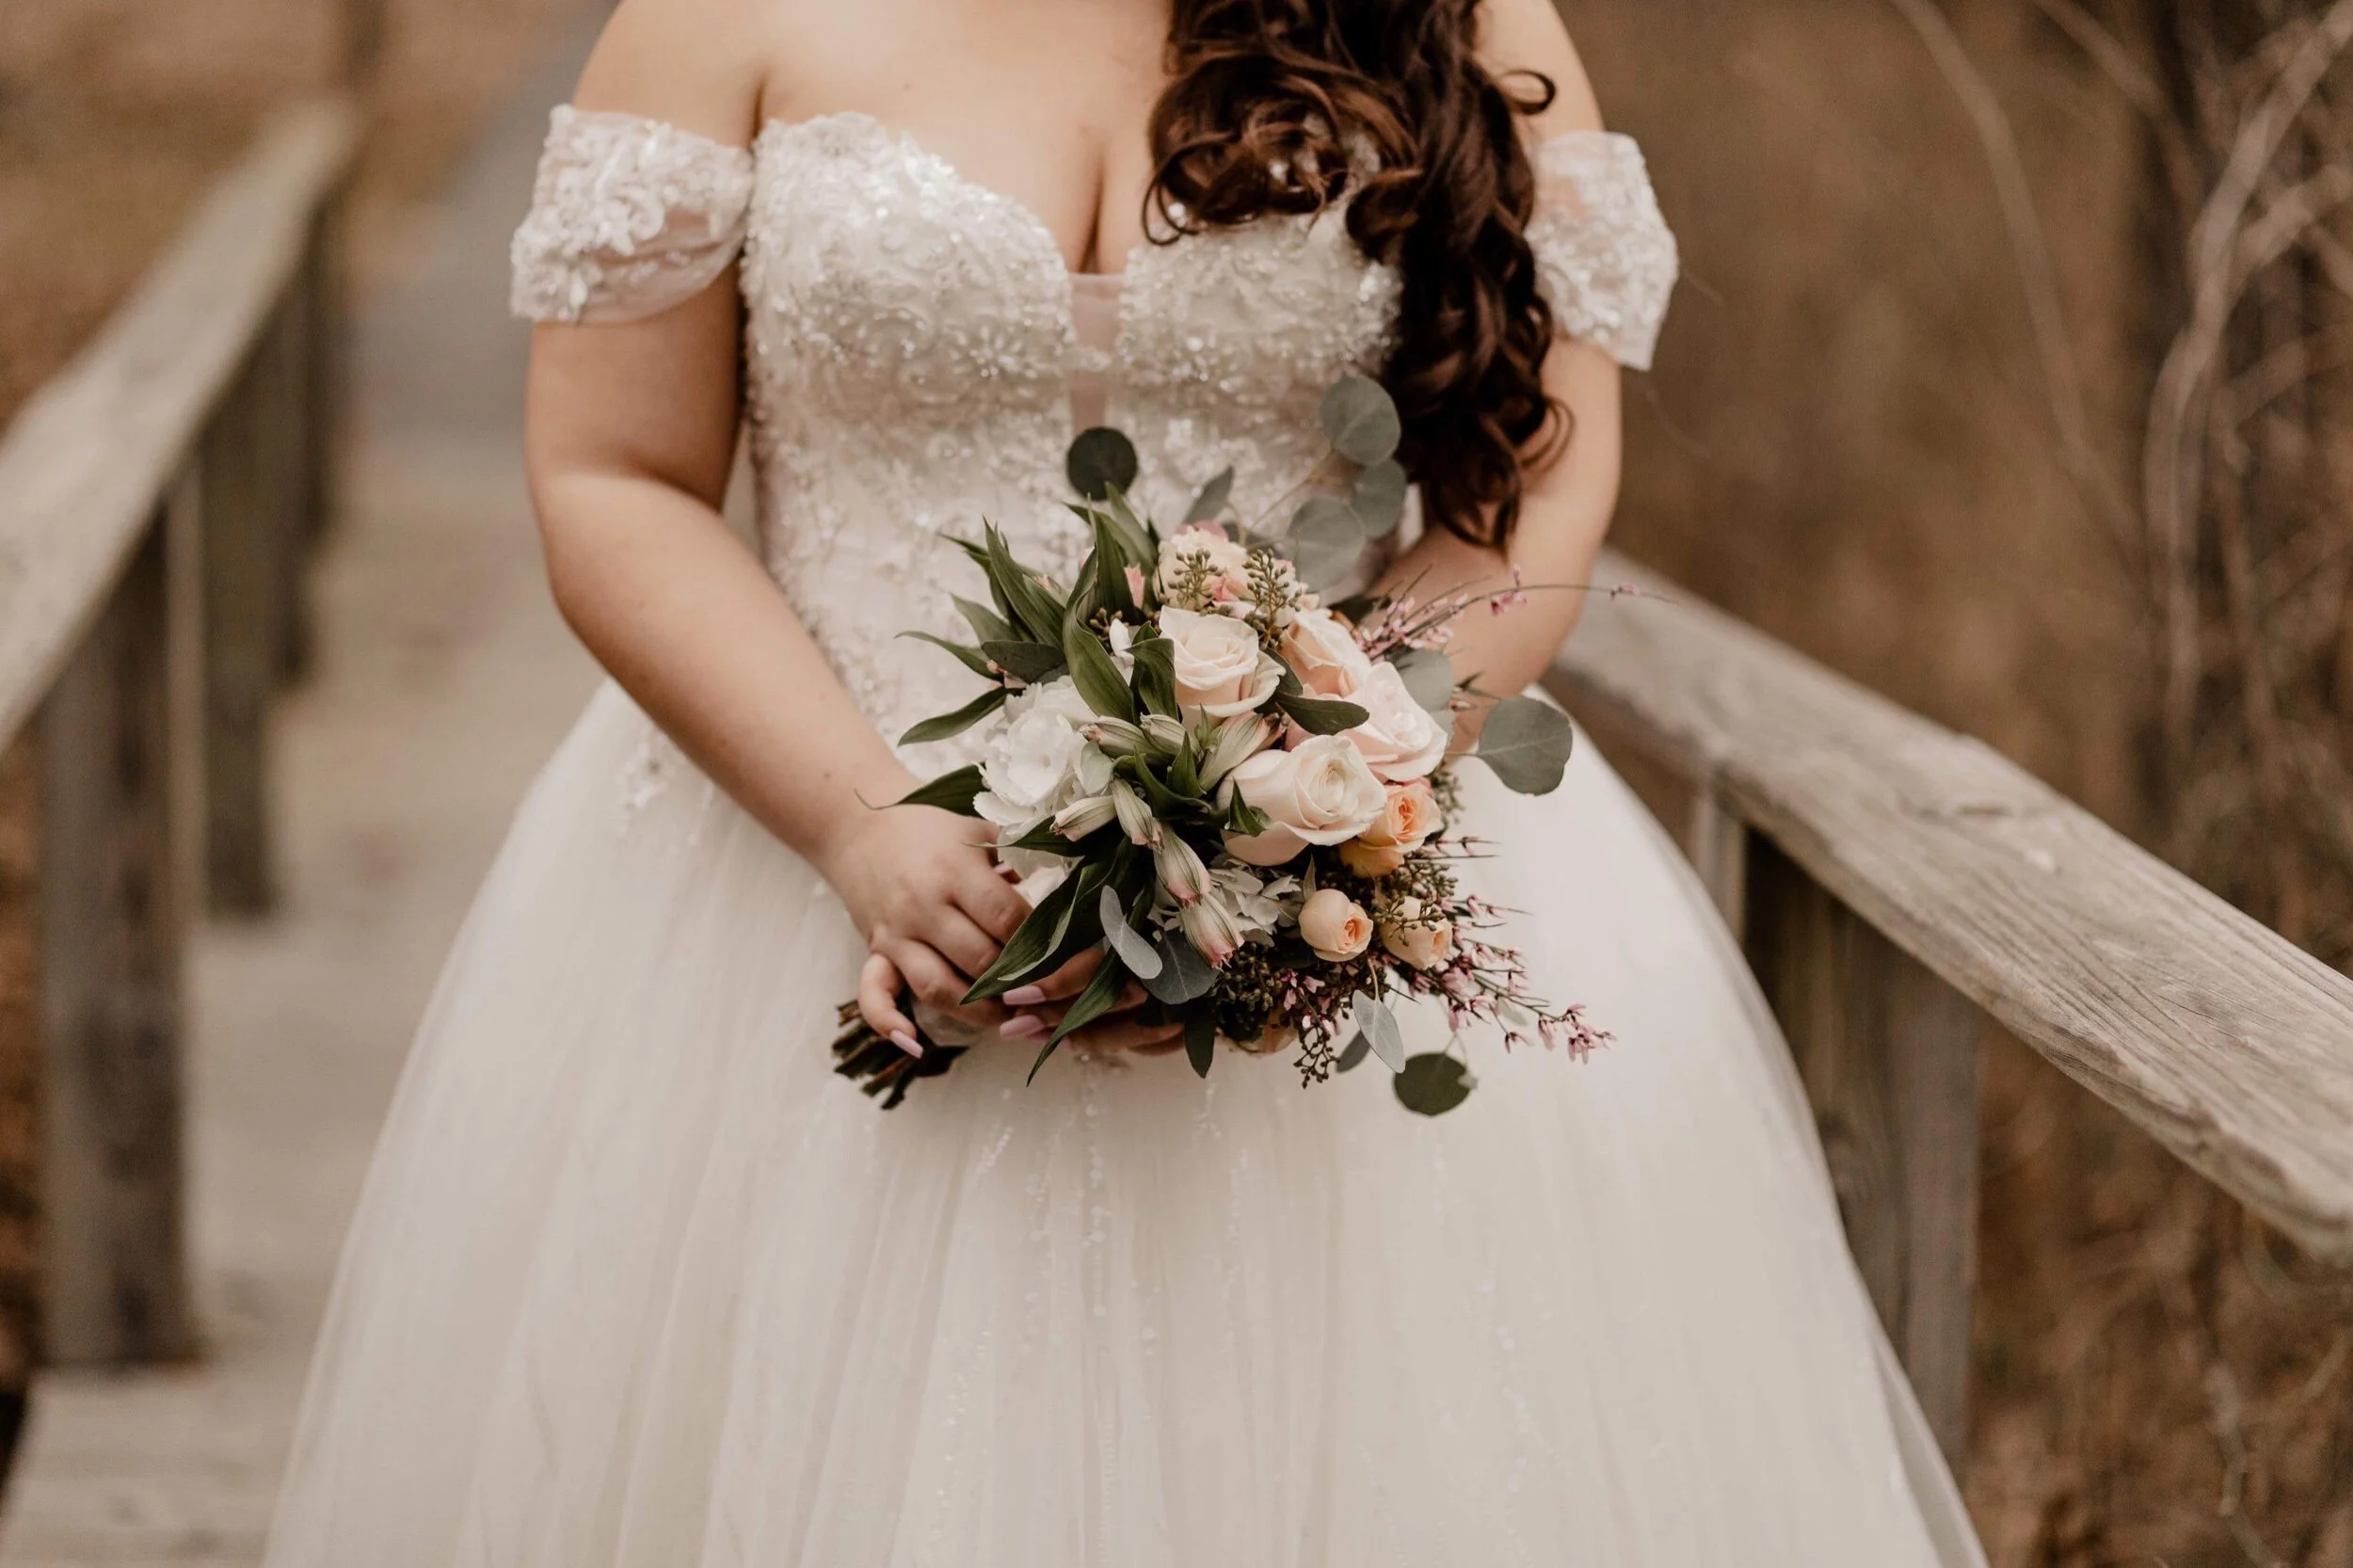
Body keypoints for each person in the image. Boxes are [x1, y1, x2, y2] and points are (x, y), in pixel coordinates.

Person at [262, 0, 1989, 1561]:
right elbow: (614, 474)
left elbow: (1526, 490)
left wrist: (1299, 812)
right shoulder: (718, 17)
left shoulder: (1460, 17)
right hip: (784, 861)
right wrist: (863, 824)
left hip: (1335, 882)